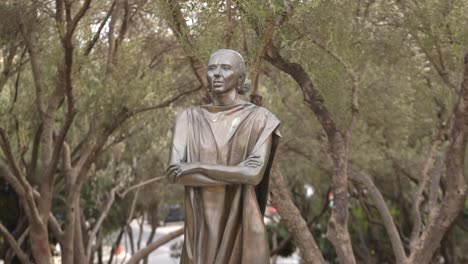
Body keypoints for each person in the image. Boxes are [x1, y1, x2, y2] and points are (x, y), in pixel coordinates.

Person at [166, 49, 281, 264]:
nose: (216, 73)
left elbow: (253, 174)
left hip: (243, 224)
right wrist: (237, 173)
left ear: (240, 78)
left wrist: (196, 166)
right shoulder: (188, 119)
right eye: (212, 68)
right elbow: (175, 174)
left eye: (225, 68)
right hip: (201, 230)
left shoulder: (260, 119)